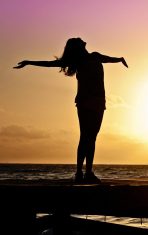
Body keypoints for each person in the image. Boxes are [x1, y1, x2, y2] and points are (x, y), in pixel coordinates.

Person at [14, 37, 128, 183]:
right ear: (79, 47)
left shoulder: (96, 56)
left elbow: (110, 59)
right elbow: (50, 64)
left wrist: (120, 59)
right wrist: (29, 62)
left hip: (99, 102)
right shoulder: (77, 61)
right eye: (80, 42)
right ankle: (80, 172)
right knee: (85, 136)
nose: (84, 41)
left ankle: (88, 173)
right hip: (85, 101)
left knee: (91, 138)